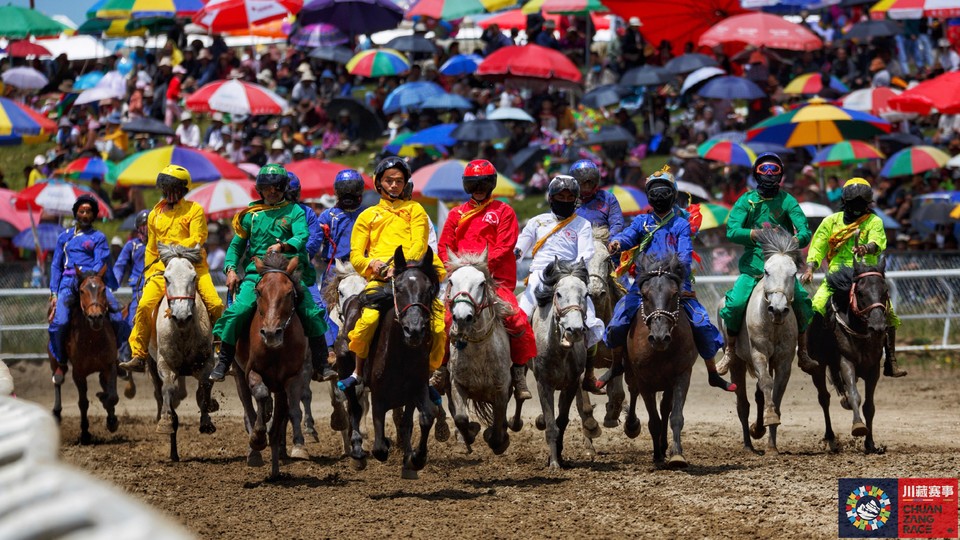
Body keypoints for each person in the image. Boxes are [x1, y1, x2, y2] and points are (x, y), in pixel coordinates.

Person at [602, 167, 735, 392]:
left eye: (664, 191)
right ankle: (616, 366)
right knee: (617, 322)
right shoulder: (641, 221)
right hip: (645, 286)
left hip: (676, 284)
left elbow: (685, 254)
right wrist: (617, 242)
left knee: (702, 323)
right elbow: (627, 237)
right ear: (649, 196)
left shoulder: (681, 223)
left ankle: (712, 372)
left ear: (672, 194)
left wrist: (677, 275)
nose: (659, 196)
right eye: (654, 192)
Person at [208, 164, 336, 382]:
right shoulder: (250, 215)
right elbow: (236, 247)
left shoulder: (295, 211)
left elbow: (302, 236)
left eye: (277, 187)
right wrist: (230, 269)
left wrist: (283, 246)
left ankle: (322, 363)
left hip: (288, 272)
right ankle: (224, 361)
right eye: (268, 187)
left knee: (311, 312)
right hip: (256, 275)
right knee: (238, 311)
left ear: (284, 188)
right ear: (260, 189)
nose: (273, 191)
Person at [338, 157, 446, 391]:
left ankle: (430, 375)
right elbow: (356, 255)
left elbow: (419, 244)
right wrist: (374, 265)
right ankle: (357, 372)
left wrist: (402, 268)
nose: (394, 185)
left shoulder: (416, 209)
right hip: (380, 279)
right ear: (379, 183)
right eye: (389, 181)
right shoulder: (367, 216)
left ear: (405, 183)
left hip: (412, 276)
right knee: (367, 321)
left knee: (438, 327)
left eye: (399, 181)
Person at [436, 160, 536, 400]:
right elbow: (444, 246)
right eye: (473, 184)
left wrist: (481, 268)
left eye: (483, 184)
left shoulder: (504, 211)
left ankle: (518, 372)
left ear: (491, 185)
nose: (478, 189)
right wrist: (458, 270)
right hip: (462, 281)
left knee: (518, 320)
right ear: (467, 186)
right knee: (444, 321)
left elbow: (505, 245)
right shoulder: (456, 214)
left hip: (495, 279)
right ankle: (441, 369)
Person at [716, 153, 816, 375]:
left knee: (802, 302)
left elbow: (805, 231)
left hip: (782, 267)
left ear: (780, 175)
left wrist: (793, 241)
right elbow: (732, 230)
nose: (769, 174)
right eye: (764, 169)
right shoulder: (746, 201)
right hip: (753, 268)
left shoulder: (787, 200)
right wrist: (754, 234)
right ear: (756, 174)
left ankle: (803, 352)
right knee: (734, 305)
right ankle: (730, 351)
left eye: (774, 170)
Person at [120, 166, 225, 371]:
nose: (168, 192)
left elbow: (197, 238)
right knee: (144, 306)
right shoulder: (154, 215)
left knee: (215, 304)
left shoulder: (194, 210)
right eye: (165, 188)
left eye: (173, 188)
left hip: (194, 268)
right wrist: (150, 272)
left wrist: (171, 250)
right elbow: (151, 248)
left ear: (183, 189)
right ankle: (139, 355)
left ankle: (222, 352)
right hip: (162, 270)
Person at [801, 178, 906, 378]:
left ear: (868, 203)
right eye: (853, 203)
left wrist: (866, 248)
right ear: (845, 202)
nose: (857, 207)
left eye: (861, 203)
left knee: (888, 313)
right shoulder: (831, 221)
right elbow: (818, 245)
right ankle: (809, 353)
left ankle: (891, 360)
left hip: (866, 274)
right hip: (836, 275)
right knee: (815, 307)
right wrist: (810, 267)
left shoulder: (874, 221)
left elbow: (877, 241)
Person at [515, 175, 605, 352]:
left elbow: (586, 253)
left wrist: (569, 273)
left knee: (590, 319)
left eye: (570, 197)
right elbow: (520, 248)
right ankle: (520, 359)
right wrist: (513, 254)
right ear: (551, 198)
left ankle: (588, 360)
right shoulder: (536, 222)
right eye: (560, 197)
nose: (565, 201)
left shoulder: (583, 224)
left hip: (570, 275)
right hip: (540, 274)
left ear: (576, 200)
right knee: (522, 313)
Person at [48, 195, 126, 384]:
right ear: (76, 213)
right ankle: (60, 361)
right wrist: (54, 293)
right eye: (81, 211)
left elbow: (100, 261)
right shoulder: (64, 237)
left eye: (89, 211)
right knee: (59, 321)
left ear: (93, 215)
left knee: (118, 317)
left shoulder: (99, 237)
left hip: (92, 282)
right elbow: (56, 265)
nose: (85, 214)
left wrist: (89, 277)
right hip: (68, 283)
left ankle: (118, 357)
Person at [316, 169, 365, 356]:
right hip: (335, 270)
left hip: (362, 269)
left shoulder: (368, 214)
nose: (348, 196)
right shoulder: (328, 216)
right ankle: (327, 348)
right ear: (337, 193)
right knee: (322, 305)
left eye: (353, 191)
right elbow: (314, 239)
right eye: (345, 192)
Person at [113, 209, 148, 362]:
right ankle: (126, 355)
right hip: (139, 289)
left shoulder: (160, 244)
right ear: (138, 227)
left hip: (160, 286)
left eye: (149, 224)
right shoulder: (132, 246)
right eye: (144, 225)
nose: (147, 228)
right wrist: (114, 282)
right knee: (130, 321)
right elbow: (120, 265)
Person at [570, 159, 624, 236]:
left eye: (590, 182)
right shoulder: (568, 199)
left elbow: (617, 224)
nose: (587, 186)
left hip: (602, 239)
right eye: (583, 182)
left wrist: (608, 239)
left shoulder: (607, 198)